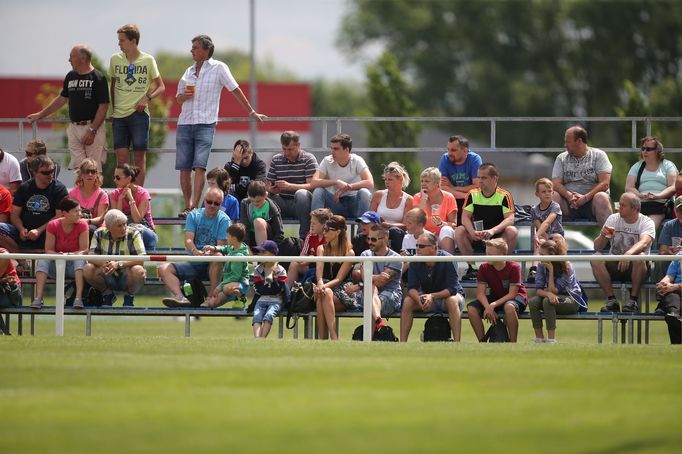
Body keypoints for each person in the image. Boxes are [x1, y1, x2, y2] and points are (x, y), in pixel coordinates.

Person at [176, 35, 266, 217]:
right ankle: (187, 206)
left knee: (199, 166)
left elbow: (235, 89)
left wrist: (251, 111)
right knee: (184, 167)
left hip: (205, 122)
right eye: (191, 47)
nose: (191, 50)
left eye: (195, 47)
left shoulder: (219, 68)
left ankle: (194, 206)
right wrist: (185, 95)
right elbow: (178, 98)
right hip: (185, 121)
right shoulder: (188, 70)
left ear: (206, 49)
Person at [27, 44, 108, 170]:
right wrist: (40, 114)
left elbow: (103, 106)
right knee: (78, 168)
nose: (69, 60)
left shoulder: (98, 77)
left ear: (82, 58)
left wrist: (92, 130)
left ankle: (94, 190)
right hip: (74, 128)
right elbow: (62, 98)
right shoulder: (71, 76)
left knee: (93, 169)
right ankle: (80, 190)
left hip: (92, 128)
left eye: (72, 56)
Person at [109, 23, 166, 186]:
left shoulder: (148, 60)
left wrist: (147, 97)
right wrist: (112, 111)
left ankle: (138, 194)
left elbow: (161, 86)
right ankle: (122, 195)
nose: (119, 44)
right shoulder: (115, 59)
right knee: (121, 159)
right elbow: (112, 86)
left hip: (139, 115)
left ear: (133, 41)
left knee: (139, 158)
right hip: (119, 116)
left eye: (122, 40)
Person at [159, 188, 231, 306]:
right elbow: (188, 240)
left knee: (218, 257)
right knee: (163, 268)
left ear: (221, 204)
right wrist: (195, 251)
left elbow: (221, 247)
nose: (212, 205)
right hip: (194, 262)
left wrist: (209, 252)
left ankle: (211, 297)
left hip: (212, 266)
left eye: (216, 203)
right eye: (209, 201)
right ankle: (180, 298)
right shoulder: (193, 215)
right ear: (204, 200)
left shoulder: (224, 219)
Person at [592, 192, 655, 313]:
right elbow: (598, 247)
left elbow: (644, 243)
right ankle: (611, 300)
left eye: (623, 205)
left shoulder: (646, 222)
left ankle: (633, 301)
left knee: (640, 257)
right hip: (615, 265)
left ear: (634, 208)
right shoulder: (614, 219)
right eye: (619, 204)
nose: (619, 208)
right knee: (596, 258)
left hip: (636, 267)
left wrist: (627, 255)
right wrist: (602, 236)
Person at [455, 162, 516, 281]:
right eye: (478, 177)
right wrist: (472, 232)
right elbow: (465, 217)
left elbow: (510, 218)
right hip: (478, 236)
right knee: (459, 230)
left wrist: (492, 231)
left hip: (497, 237)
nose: (480, 181)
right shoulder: (472, 194)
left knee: (512, 231)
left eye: (484, 178)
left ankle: (501, 267)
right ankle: (472, 268)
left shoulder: (504, 195)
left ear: (494, 179)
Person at [399, 231, 464, 342]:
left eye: (421, 246)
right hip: (428, 299)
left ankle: (457, 343)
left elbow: (452, 289)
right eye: (417, 245)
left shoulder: (448, 259)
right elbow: (412, 288)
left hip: (448, 298)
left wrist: (432, 296)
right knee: (408, 301)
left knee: (452, 300)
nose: (417, 249)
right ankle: (402, 343)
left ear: (433, 248)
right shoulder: (415, 261)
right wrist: (419, 300)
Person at [466, 238, 528, 343]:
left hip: (517, 297)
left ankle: (513, 343)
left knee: (509, 307)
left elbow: (512, 294)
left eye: (491, 254)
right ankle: (482, 342)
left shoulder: (514, 267)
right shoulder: (484, 267)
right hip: (496, 297)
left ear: (502, 255)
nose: (487, 257)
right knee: (471, 308)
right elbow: (480, 294)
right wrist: (488, 307)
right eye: (487, 253)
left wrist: (492, 305)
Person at [0, 155, 68, 251]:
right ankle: (22, 262)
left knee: (56, 229)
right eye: (45, 172)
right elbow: (14, 215)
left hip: (47, 231)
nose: (50, 175)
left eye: (52, 171)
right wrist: (21, 229)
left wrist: (39, 230)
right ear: (35, 173)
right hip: (24, 231)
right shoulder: (24, 188)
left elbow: (59, 216)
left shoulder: (59, 189)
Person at [31, 198, 89, 309]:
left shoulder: (83, 225)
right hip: (56, 266)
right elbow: (48, 250)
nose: (80, 214)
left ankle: (78, 298)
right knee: (43, 259)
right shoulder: (53, 225)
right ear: (64, 213)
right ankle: (38, 298)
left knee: (79, 259)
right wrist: (59, 256)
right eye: (76, 211)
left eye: (80, 211)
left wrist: (71, 256)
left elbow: (84, 249)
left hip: (74, 266)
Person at [344, 225, 402, 334]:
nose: (370, 242)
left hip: (390, 295)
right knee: (371, 289)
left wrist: (360, 285)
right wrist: (376, 277)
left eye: (373, 239)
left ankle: (369, 339)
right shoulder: (365, 254)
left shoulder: (396, 258)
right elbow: (365, 278)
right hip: (368, 293)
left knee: (371, 294)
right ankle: (378, 321)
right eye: (368, 239)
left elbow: (381, 282)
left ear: (385, 239)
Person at [528, 238, 587, 343]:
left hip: (571, 299)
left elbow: (554, 291)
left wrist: (551, 271)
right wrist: (548, 294)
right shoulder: (542, 265)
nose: (540, 258)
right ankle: (539, 338)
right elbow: (538, 290)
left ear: (552, 255)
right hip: (553, 296)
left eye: (542, 255)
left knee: (548, 301)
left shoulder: (567, 266)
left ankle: (551, 339)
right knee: (533, 302)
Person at [84, 209, 146, 307]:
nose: (124, 228)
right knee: (87, 268)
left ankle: (129, 297)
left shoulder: (134, 233)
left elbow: (142, 259)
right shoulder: (99, 233)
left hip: (127, 275)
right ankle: (107, 295)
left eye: (125, 224)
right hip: (107, 274)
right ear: (108, 227)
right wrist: (105, 263)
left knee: (138, 270)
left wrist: (118, 264)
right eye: (119, 225)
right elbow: (91, 256)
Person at [551, 126, 613, 226]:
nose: (565, 145)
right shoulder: (561, 158)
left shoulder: (599, 155)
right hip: (568, 203)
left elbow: (605, 183)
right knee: (552, 195)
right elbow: (556, 184)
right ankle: (551, 239)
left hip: (592, 203)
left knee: (602, 197)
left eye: (568, 142)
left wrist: (585, 198)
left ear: (579, 141)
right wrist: (569, 196)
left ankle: (609, 239)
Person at [266, 131, 319, 238]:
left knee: (302, 194)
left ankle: (304, 237)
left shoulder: (308, 159)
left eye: (290, 149)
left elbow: (312, 185)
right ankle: (275, 238)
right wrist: (271, 189)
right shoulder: (276, 159)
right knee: (265, 196)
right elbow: (268, 184)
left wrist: (289, 186)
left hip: (300, 204)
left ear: (298, 146)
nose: (286, 153)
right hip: (281, 202)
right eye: (284, 149)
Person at [310, 133, 374, 219]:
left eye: (336, 149)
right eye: (331, 148)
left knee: (364, 193)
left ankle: (362, 232)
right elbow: (314, 182)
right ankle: (317, 231)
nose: (332, 152)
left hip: (354, 203)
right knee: (318, 191)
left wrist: (348, 187)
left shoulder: (357, 160)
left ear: (346, 150)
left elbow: (370, 183)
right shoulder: (327, 160)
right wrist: (336, 181)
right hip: (336, 202)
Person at [314, 215, 356, 340]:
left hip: (343, 290)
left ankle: (327, 338)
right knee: (324, 295)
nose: (324, 232)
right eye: (324, 229)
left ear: (338, 232)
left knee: (323, 295)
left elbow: (339, 278)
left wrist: (322, 287)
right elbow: (319, 273)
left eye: (328, 230)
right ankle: (331, 339)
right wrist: (320, 284)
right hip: (324, 288)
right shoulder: (321, 249)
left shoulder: (349, 253)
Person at [624, 135, 678, 229]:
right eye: (643, 148)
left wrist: (658, 196)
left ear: (657, 151)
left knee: (649, 227)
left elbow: (673, 187)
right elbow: (629, 187)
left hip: (660, 205)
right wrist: (641, 195)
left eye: (648, 149)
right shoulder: (637, 166)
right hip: (640, 204)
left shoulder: (668, 165)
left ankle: (645, 242)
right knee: (630, 226)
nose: (645, 151)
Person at [201, 223, 251, 309]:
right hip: (228, 284)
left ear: (234, 238)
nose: (226, 238)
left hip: (240, 283)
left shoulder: (238, 256)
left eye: (228, 236)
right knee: (211, 304)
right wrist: (214, 248)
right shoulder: (234, 247)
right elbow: (225, 248)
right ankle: (233, 295)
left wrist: (219, 287)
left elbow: (234, 277)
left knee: (227, 288)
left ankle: (241, 298)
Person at [109, 164, 157, 250]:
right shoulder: (114, 194)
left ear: (129, 178)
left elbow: (137, 220)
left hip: (146, 233)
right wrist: (120, 200)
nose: (114, 180)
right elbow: (116, 220)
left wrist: (131, 198)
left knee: (132, 229)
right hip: (125, 233)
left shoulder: (143, 194)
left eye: (118, 177)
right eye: (114, 177)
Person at [438, 135, 482, 225]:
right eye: (448, 149)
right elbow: (442, 187)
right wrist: (465, 196)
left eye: (453, 150)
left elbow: (478, 187)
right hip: (456, 199)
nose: (449, 153)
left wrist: (453, 187)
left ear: (465, 151)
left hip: (473, 200)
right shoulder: (445, 158)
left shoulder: (474, 159)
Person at [413, 167, 457, 254]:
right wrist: (423, 200)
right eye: (422, 181)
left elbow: (454, 224)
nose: (423, 184)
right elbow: (416, 221)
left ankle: (448, 262)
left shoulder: (449, 197)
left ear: (437, 183)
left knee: (446, 229)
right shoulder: (417, 197)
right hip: (424, 235)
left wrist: (441, 223)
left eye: (427, 181)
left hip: (443, 236)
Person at [527, 178, 564, 282]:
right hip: (544, 236)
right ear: (537, 194)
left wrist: (536, 235)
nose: (547, 194)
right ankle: (534, 270)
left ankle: (563, 269)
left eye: (549, 191)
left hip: (556, 236)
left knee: (556, 238)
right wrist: (541, 237)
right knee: (540, 243)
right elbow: (539, 226)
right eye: (543, 192)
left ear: (553, 193)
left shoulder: (555, 206)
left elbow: (547, 222)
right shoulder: (534, 210)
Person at [250, 240, 289, 338]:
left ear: (272, 254)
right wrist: (268, 285)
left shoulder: (281, 270)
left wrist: (273, 277)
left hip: (276, 300)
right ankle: (257, 340)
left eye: (263, 252)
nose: (260, 254)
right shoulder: (258, 269)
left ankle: (262, 339)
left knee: (269, 316)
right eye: (259, 252)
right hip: (261, 299)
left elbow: (278, 289)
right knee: (257, 317)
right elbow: (258, 288)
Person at [287, 208, 331, 287]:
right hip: (312, 266)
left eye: (314, 223)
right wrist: (306, 260)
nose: (311, 226)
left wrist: (312, 259)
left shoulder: (330, 236)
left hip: (327, 269)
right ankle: (288, 295)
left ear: (324, 225)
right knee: (294, 264)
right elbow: (302, 255)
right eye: (311, 222)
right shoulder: (310, 234)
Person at [369, 161, 414, 230]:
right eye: (385, 179)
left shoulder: (408, 199)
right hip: (378, 232)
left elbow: (406, 225)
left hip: (397, 234)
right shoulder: (378, 195)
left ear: (400, 180)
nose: (386, 182)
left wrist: (389, 225)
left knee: (394, 231)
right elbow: (370, 217)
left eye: (390, 179)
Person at [69, 158, 109, 235]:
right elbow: (69, 215)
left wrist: (87, 221)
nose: (90, 174)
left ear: (96, 174)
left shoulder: (102, 195)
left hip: (95, 229)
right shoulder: (73, 193)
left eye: (93, 172)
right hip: (76, 225)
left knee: (89, 229)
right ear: (81, 174)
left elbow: (100, 219)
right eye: (86, 171)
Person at [239, 180, 284, 247]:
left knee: (258, 222)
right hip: (250, 238)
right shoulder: (245, 204)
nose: (255, 203)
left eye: (258, 201)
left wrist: (271, 249)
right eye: (252, 201)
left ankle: (262, 251)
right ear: (248, 195)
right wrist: (246, 248)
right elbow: (244, 227)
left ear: (265, 195)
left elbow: (279, 233)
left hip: (268, 241)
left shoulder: (272, 207)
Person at [225, 139, 268, 204]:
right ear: (235, 156)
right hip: (236, 199)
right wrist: (236, 164)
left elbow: (258, 186)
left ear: (251, 153)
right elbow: (226, 187)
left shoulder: (260, 165)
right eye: (241, 158)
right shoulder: (229, 166)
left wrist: (236, 187)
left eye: (246, 157)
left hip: (253, 198)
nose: (244, 161)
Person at [654, 253, 682, 344]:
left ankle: (673, 315)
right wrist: (663, 284)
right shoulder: (679, 256)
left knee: (671, 297)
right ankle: (673, 315)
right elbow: (669, 276)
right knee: (671, 295)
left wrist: (676, 286)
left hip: (677, 288)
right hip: (676, 291)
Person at [657, 195, 682, 279]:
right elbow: (662, 251)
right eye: (679, 209)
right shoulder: (669, 225)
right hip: (674, 259)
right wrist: (669, 251)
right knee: (662, 260)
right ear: (675, 210)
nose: (681, 212)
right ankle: (663, 290)